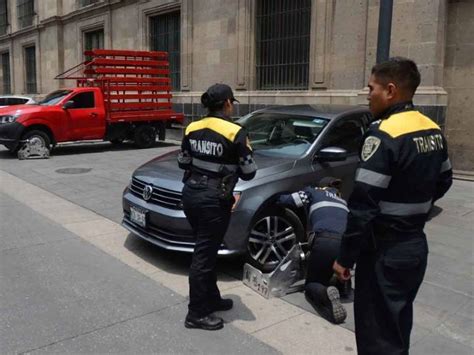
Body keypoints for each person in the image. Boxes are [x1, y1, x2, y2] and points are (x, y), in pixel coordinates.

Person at [333, 57, 453, 354]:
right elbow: (445, 180)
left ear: (390, 90)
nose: (367, 94)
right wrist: (414, 204)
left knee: (377, 336)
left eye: (371, 88)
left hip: (384, 252)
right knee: (398, 326)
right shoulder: (432, 129)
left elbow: (363, 205)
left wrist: (345, 258)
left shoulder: (384, 133)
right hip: (414, 246)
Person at [178, 83, 257, 331]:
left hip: (191, 195)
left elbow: (183, 161)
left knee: (206, 249)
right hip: (214, 200)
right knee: (204, 255)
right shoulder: (236, 132)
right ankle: (197, 313)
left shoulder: (192, 127)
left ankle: (211, 298)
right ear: (227, 104)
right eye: (232, 103)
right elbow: (249, 172)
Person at [277, 177, 350, 324]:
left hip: (325, 240)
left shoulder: (313, 192)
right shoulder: (344, 203)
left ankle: (323, 292)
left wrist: (274, 198)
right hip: (346, 244)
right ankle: (342, 286)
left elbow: (287, 200)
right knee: (340, 268)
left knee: (312, 283)